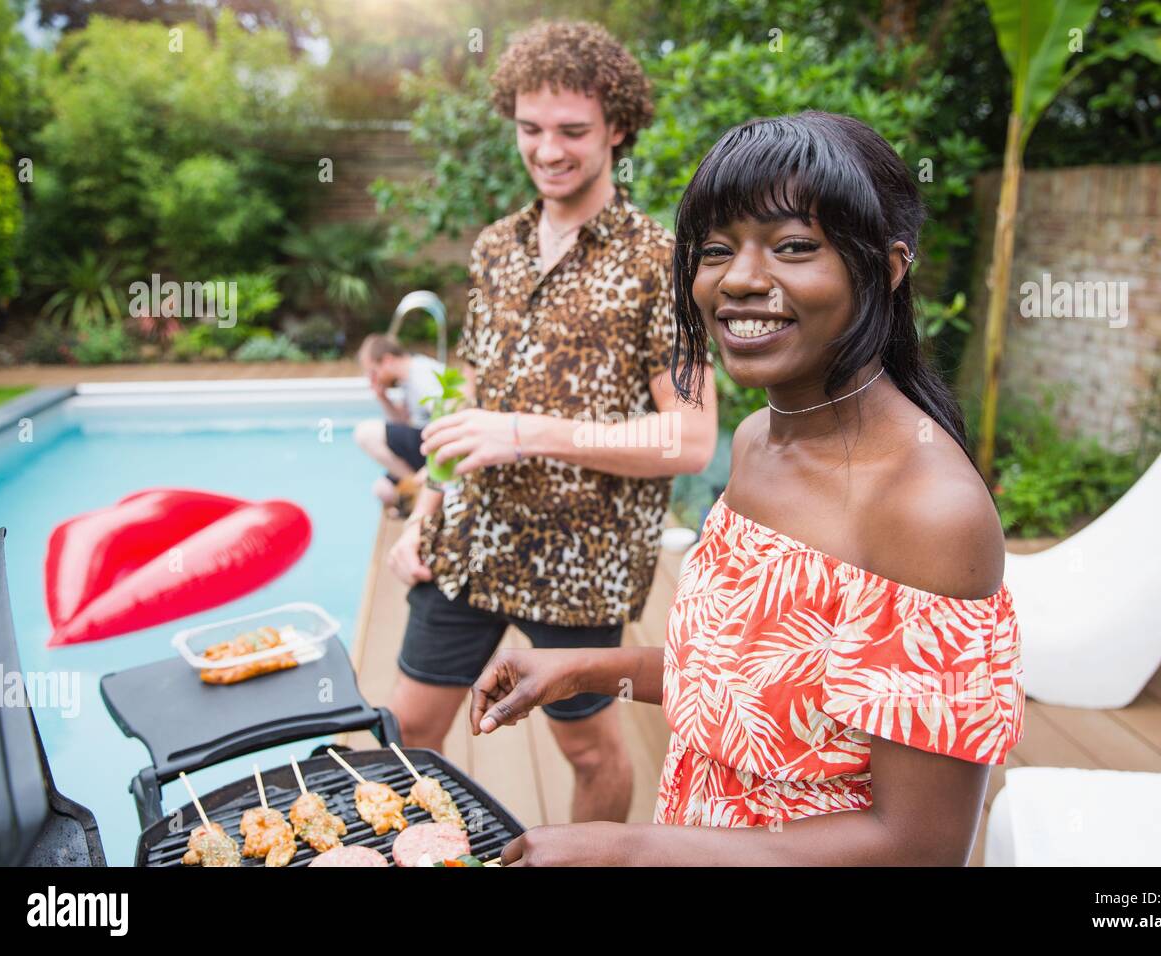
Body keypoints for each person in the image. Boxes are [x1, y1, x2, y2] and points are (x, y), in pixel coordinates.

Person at [467, 111, 1026, 865]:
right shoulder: (758, 439)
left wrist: (634, 851)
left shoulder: (929, 513)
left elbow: (915, 845)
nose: (740, 280)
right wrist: (586, 668)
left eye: (795, 247)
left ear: (888, 267)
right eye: (716, 251)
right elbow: (750, 679)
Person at [385, 20, 719, 824]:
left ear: (618, 128)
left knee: (592, 752)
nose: (548, 150)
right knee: (403, 736)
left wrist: (525, 430)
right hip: (466, 542)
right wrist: (422, 510)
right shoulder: (495, 247)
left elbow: (691, 439)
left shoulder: (658, 261)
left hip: (581, 567)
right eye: (531, 129)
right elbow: (468, 404)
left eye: (572, 130)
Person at [354, 334, 442, 514]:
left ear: (387, 361)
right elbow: (402, 424)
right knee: (382, 491)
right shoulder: (407, 378)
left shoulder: (421, 376)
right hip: (424, 440)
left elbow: (447, 417)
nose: (373, 378)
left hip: (436, 445)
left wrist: (431, 467)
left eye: (373, 371)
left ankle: (421, 486)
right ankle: (418, 486)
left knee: (364, 433)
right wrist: (382, 397)